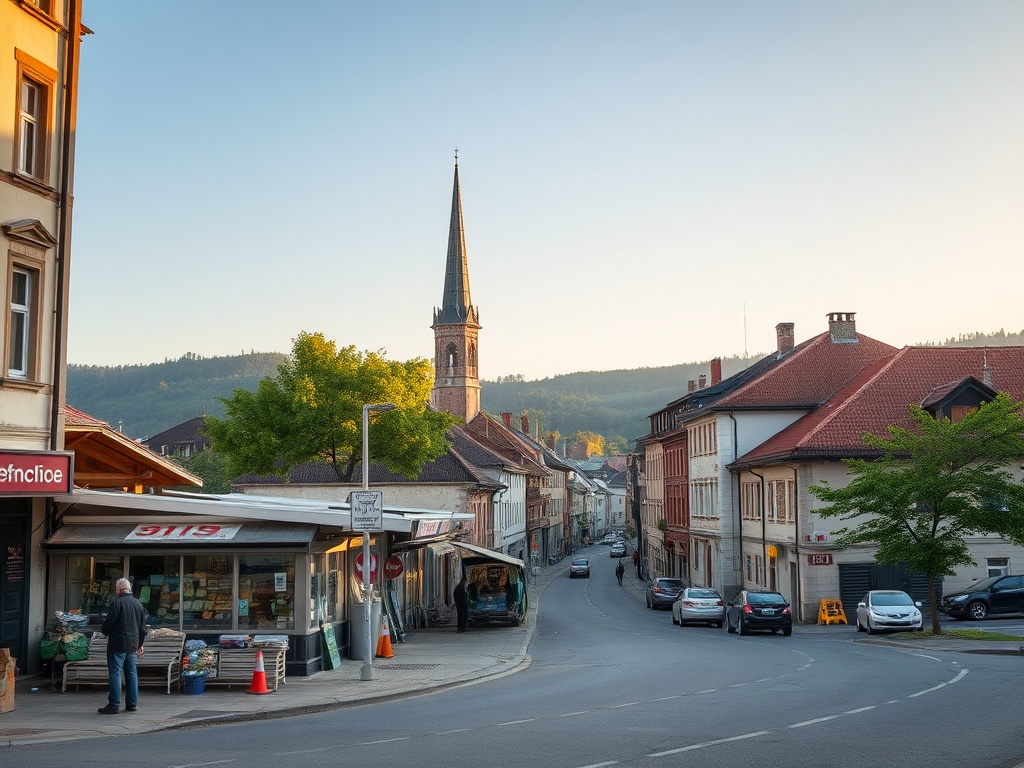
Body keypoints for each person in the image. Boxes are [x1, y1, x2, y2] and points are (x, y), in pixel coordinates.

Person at [97, 577, 147, 714]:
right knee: (131, 673)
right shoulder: (138, 604)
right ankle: (132, 703)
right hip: (133, 643)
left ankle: (114, 704)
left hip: (118, 643)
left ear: (119, 590)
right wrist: (140, 644)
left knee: (115, 672)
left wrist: (104, 631)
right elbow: (143, 628)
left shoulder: (117, 603)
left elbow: (110, 623)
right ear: (129, 589)